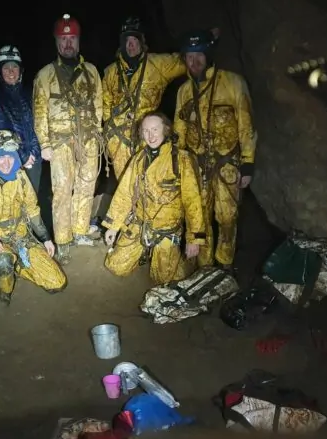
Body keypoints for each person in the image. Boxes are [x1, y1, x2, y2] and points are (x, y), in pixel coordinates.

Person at [173, 29, 257, 270]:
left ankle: (225, 264)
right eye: (190, 56)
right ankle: (205, 267)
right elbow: (179, 129)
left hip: (226, 163)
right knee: (200, 218)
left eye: (199, 55)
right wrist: (177, 163)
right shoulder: (184, 92)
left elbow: (246, 124)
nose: (194, 61)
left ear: (208, 55)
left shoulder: (232, 83)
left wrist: (248, 162)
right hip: (196, 165)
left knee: (227, 217)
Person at [0, 130, 67, 306]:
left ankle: (17, 265)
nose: (6, 162)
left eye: (10, 156)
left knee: (57, 282)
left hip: (22, 238)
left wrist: (45, 238)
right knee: (2, 261)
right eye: (1, 157)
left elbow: (32, 209)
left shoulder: (21, 177)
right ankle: (5, 290)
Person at [103, 112, 206, 284]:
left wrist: (193, 239)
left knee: (162, 280)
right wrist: (113, 227)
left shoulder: (181, 159)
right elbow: (124, 193)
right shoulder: (139, 159)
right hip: (140, 224)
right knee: (115, 266)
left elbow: (192, 201)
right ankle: (144, 251)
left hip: (166, 230)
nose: (150, 136)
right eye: (146, 131)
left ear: (165, 129)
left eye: (155, 129)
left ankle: (182, 261)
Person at [33, 13, 103, 265]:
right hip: (60, 143)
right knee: (62, 190)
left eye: (72, 38)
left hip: (88, 140)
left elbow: (98, 105)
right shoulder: (45, 75)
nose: (68, 43)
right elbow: (39, 112)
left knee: (87, 186)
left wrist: (97, 134)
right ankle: (63, 240)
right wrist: (44, 144)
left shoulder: (91, 71)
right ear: (56, 42)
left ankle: (80, 230)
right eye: (63, 39)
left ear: (79, 41)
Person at [102, 17, 187, 179]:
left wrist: (203, 42)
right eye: (127, 41)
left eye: (135, 40)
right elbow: (105, 106)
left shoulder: (157, 64)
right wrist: (110, 138)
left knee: (148, 181)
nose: (131, 45)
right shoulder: (111, 72)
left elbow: (185, 62)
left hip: (148, 136)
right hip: (119, 141)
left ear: (142, 42)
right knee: (125, 184)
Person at [0, 45, 42, 194]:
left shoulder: (31, 94)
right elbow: (2, 131)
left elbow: (39, 123)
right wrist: (23, 156)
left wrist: (35, 153)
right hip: (10, 161)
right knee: (13, 201)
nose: (11, 72)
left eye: (14, 67)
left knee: (32, 200)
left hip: (34, 160)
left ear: (21, 70)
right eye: (6, 68)